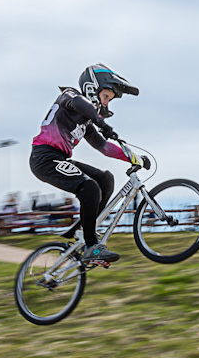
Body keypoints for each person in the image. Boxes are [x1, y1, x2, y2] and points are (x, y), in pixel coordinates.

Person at [29, 63, 144, 263]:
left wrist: (133, 157)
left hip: (59, 158)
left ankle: (83, 229)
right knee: (90, 188)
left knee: (105, 179)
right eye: (106, 97)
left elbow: (104, 147)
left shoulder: (86, 123)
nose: (107, 104)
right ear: (92, 88)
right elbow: (83, 105)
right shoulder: (70, 96)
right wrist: (102, 123)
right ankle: (92, 245)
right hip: (44, 158)